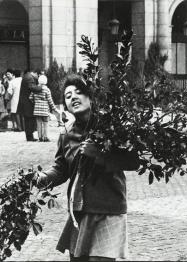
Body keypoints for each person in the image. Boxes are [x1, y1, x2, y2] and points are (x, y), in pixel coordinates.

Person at [37, 74, 140, 261]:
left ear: (90, 96)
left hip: (109, 208)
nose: (73, 97)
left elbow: (133, 160)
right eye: (68, 96)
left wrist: (100, 155)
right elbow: (61, 167)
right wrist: (43, 178)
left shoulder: (110, 126)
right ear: (65, 106)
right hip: (80, 209)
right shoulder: (66, 133)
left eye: (79, 92)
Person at [29, 75, 60, 142]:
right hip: (45, 110)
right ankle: (45, 137)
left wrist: (36, 102)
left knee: (38, 124)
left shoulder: (35, 89)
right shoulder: (47, 90)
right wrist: (54, 108)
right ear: (46, 81)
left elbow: (30, 97)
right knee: (46, 124)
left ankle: (40, 137)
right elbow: (50, 100)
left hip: (37, 110)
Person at [17, 70, 42, 141]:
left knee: (27, 120)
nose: (38, 77)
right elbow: (32, 87)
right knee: (30, 119)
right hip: (28, 103)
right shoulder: (30, 77)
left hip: (24, 102)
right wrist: (41, 87)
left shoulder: (26, 76)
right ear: (35, 73)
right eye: (38, 75)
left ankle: (29, 136)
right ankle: (30, 136)